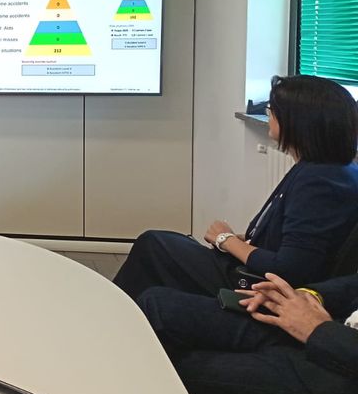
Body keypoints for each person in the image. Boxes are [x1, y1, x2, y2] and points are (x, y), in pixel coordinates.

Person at [114, 75, 358, 301]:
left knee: (153, 246)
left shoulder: (320, 181)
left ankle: (115, 317)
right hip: (254, 267)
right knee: (161, 242)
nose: (268, 114)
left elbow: (289, 268)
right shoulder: (324, 168)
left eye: (272, 110)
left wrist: (226, 240)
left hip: (255, 284)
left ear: (298, 121)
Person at [137, 273, 358, 394]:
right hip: (333, 332)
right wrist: (307, 297)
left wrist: (319, 330)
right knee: (156, 306)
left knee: (172, 370)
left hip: (341, 388)